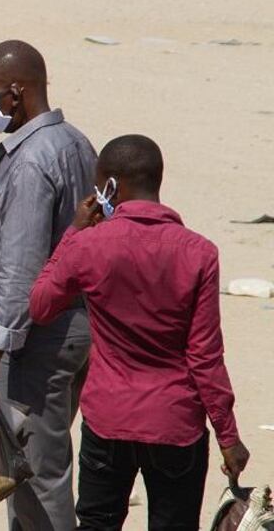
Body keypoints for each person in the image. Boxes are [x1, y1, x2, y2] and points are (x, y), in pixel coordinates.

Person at [29, 134, 249, 530]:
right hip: (175, 422)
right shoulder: (200, 252)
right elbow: (205, 356)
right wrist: (228, 436)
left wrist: (75, 232)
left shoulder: (89, 245)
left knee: (96, 523)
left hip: (107, 418)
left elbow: (41, 305)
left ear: (111, 185)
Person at [0, 40, 97, 531]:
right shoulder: (74, 142)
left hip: (43, 334)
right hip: (77, 323)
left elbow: (24, 267)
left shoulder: (33, 161)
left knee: (38, 472)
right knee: (30, 463)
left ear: (17, 93)